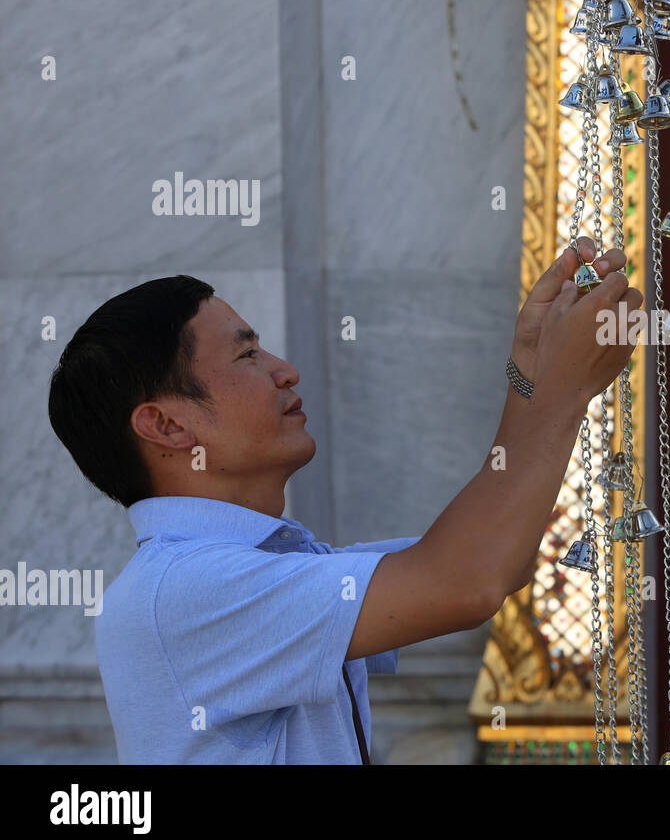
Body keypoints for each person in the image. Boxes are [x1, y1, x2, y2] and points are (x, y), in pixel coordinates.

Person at [47, 237, 639, 763]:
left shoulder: (247, 569)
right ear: (168, 427)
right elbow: (469, 579)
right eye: (247, 355)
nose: (286, 371)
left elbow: (499, 557)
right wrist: (564, 390)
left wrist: (531, 375)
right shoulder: (183, 589)